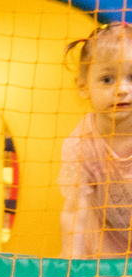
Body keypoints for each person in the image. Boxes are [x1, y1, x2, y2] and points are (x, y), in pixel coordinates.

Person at [62, 23, 132, 260]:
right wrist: (71, 261)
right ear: (84, 87)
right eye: (107, 79)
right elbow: (74, 209)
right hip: (106, 255)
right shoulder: (80, 144)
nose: (122, 89)